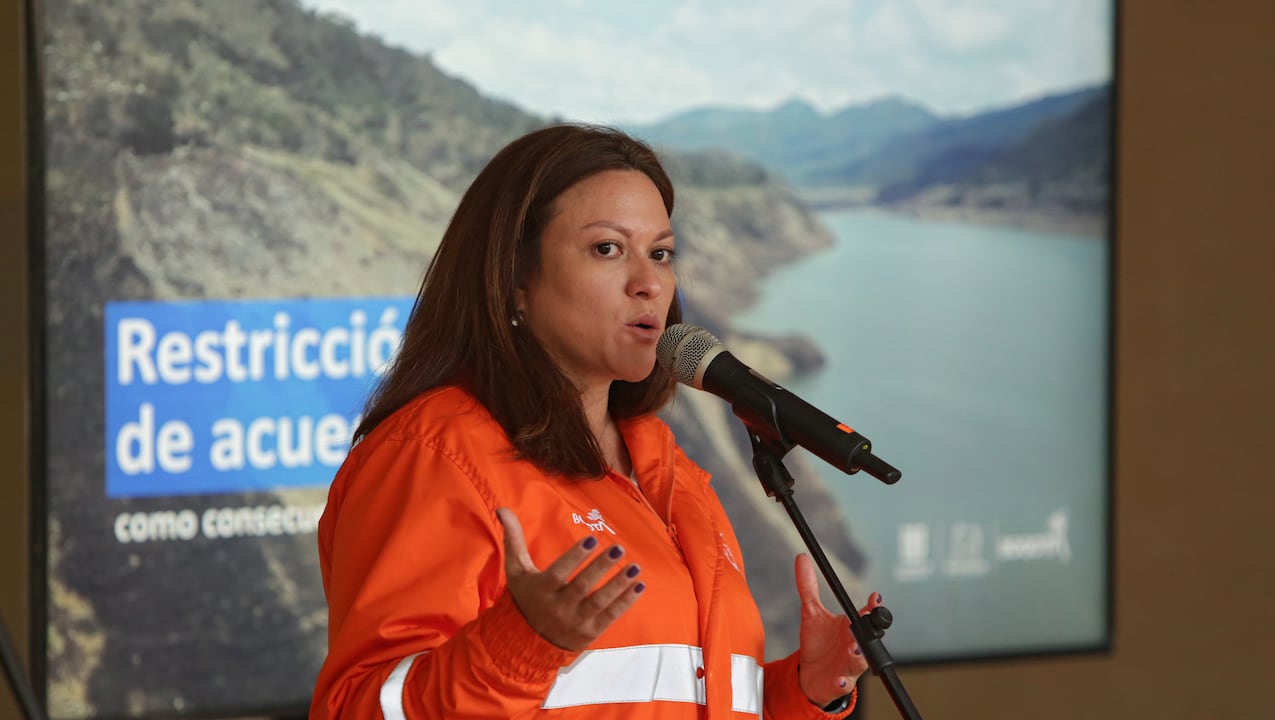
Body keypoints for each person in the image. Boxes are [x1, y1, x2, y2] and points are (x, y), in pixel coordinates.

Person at [309, 124, 881, 719]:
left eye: (660, 253)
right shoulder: (435, 454)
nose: (650, 282)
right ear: (515, 279)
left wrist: (801, 692)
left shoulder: (668, 471)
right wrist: (520, 645)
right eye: (608, 249)